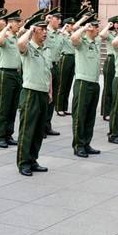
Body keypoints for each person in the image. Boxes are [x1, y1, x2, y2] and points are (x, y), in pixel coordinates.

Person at [16, 13, 52, 175]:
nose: (45, 32)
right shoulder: (28, 47)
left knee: (38, 130)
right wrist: (30, 30)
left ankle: (33, 159)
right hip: (30, 92)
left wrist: (50, 91)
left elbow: (48, 72)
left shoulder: (46, 49)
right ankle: (23, 162)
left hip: (43, 93)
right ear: (34, 30)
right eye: (42, 29)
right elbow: (20, 43)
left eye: (46, 29)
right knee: (27, 129)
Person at [70, 13, 108, 157]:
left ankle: (86, 142)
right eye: (96, 27)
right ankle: (78, 145)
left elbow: (103, 35)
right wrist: (84, 26)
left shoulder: (96, 41)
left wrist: (109, 25)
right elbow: (73, 37)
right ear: (90, 29)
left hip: (94, 82)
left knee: (90, 115)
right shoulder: (81, 42)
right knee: (80, 115)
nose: (99, 29)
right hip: (83, 83)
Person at [0, 10, 24, 148]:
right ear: (11, 23)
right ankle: (0, 136)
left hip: (17, 74)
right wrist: (6, 28)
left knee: (13, 107)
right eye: (17, 22)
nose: (19, 24)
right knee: (4, 107)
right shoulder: (5, 36)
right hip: (6, 74)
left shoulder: (18, 38)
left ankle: (8, 134)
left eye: (19, 21)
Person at [42, 9, 63, 137]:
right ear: (51, 19)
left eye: (60, 19)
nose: (59, 21)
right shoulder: (45, 32)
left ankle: (47, 124)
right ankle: (41, 126)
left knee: (52, 97)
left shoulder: (60, 34)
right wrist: (45, 20)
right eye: (57, 18)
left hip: (56, 66)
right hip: (46, 66)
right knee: (45, 97)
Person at [55, 17, 77, 116]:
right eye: (70, 25)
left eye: (72, 25)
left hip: (73, 58)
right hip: (65, 58)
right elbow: (58, 35)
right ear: (67, 25)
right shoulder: (62, 34)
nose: (72, 26)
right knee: (62, 83)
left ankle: (64, 107)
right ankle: (59, 107)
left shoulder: (72, 35)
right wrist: (64, 28)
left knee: (68, 84)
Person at [100, 16, 118, 120]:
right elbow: (102, 34)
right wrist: (108, 26)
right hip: (110, 59)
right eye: (117, 23)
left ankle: (112, 109)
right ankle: (106, 112)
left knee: (114, 87)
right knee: (108, 87)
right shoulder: (109, 33)